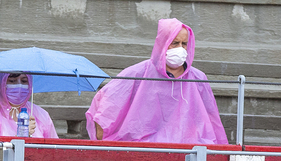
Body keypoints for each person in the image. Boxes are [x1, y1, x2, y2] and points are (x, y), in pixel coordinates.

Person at [85, 18, 228, 145]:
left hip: (188, 150)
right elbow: (107, 105)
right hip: (144, 149)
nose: (181, 49)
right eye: (174, 43)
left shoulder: (198, 78)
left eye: (184, 44)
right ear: (162, 44)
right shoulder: (138, 73)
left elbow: (212, 120)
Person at [0, 73, 59, 138]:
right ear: (0, 84)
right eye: (12, 81)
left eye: (24, 81)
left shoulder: (41, 115)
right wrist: (21, 136)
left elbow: (55, 150)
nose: (19, 86)